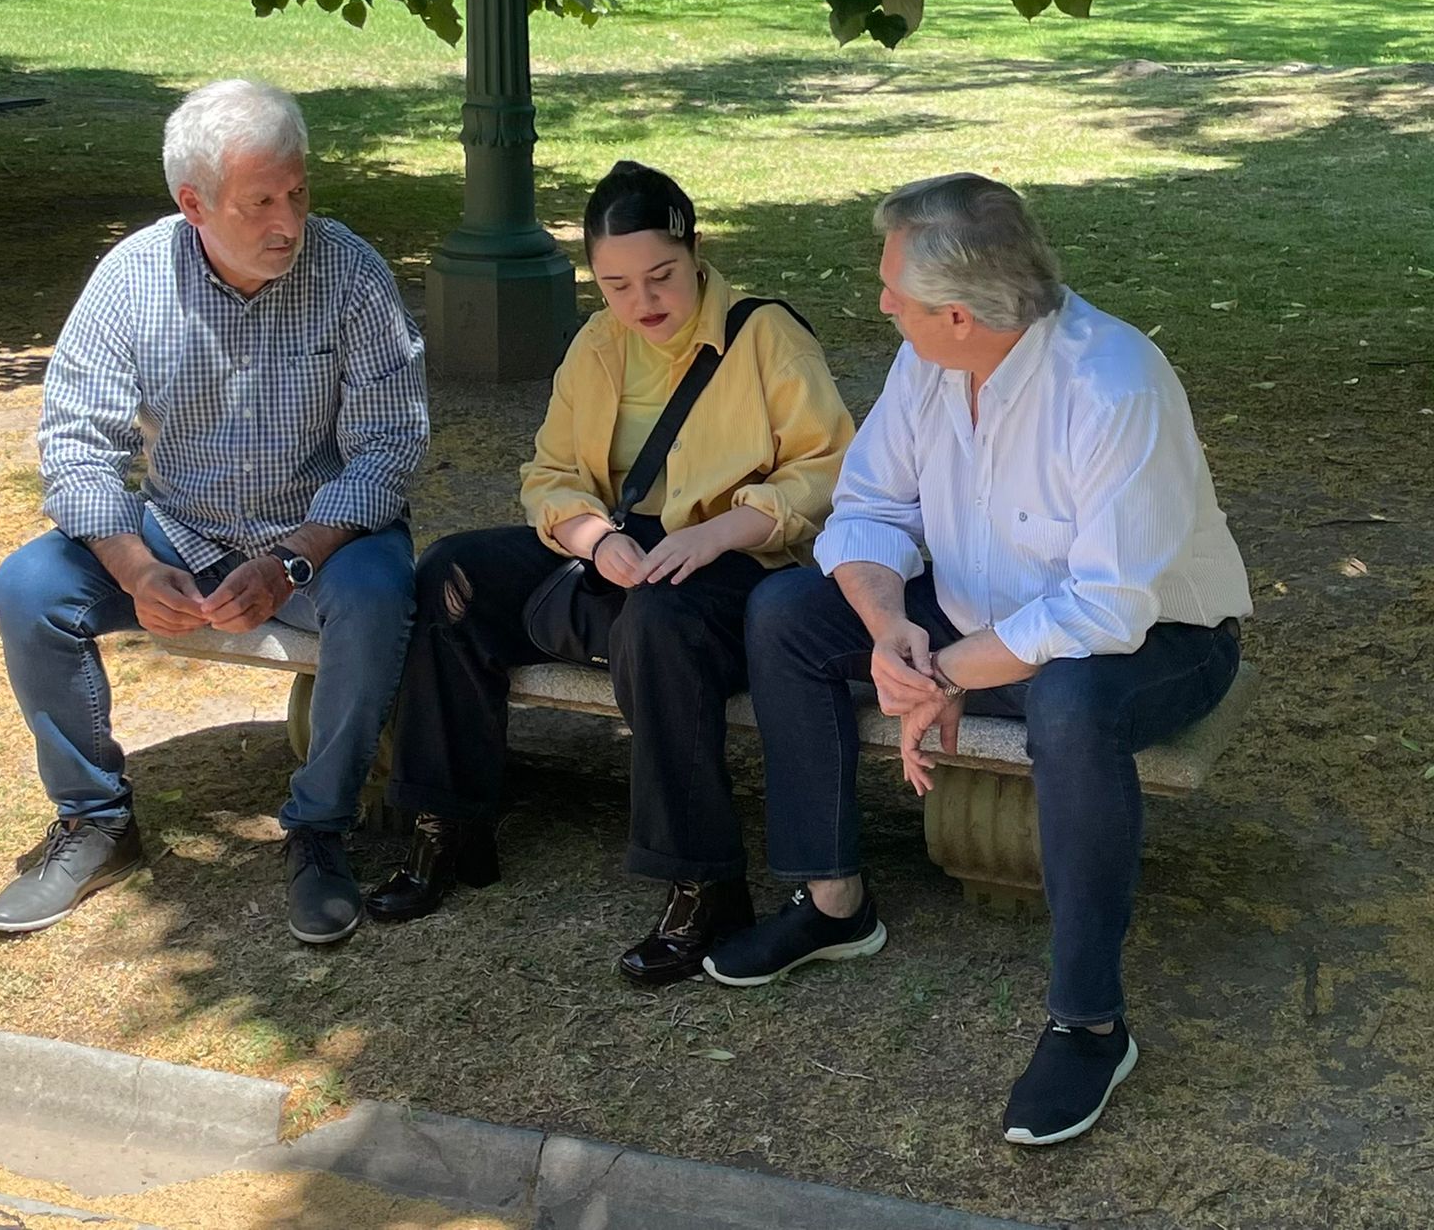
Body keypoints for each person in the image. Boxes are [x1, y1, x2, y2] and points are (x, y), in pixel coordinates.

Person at [704, 173, 1252, 1145]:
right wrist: (890, 630)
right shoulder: (929, 361)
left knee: (1072, 703)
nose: (882, 304)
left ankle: (1089, 1023)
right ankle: (832, 902)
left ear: (958, 312)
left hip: (1158, 639)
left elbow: (1106, 606)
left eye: (894, 291)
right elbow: (870, 507)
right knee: (786, 612)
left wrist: (950, 672)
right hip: (973, 612)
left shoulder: (1114, 385)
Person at [363, 161, 854, 984]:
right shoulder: (598, 343)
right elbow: (551, 474)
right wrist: (594, 538)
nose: (642, 302)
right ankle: (448, 825)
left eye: (660, 277)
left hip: (737, 560)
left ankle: (703, 881)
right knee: (452, 575)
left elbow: (827, 471)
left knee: (660, 619)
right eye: (616, 285)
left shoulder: (767, 337)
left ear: (695, 251)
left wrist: (718, 533)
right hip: (617, 550)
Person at [0, 79, 427, 945]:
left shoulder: (351, 272)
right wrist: (135, 569)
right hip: (179, 528)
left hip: (323, 535)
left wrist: (292, 560)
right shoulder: (132, 278)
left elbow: (389, 445)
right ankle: (95, 821)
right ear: (194, 205)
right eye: (260, 202)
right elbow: (75, 444)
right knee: (28, 590)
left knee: (379, 596)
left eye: (298, 192)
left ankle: (321, 827)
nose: (288, 222)